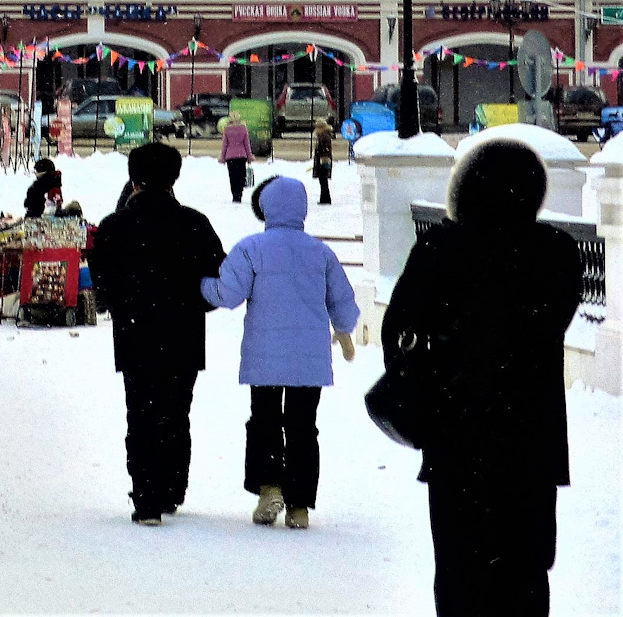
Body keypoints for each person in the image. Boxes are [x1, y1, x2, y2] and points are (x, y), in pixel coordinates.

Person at [382, 139, 582, 616]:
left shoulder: (439, 248)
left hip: (457, 435)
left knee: (458, 562)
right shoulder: (557, 252)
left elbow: (398, 332)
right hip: (531, 437)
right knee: (526, 566)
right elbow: (555, 319)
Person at [199, 176, 359, 530]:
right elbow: (342, 299)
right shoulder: (320, 251)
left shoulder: (251, 248)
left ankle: (268, 487)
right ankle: (300, 505)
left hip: (265, 355)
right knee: (303, 427)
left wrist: (201, 285)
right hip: (309, 358)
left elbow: (229, 294)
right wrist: (345, 334)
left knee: (264, 421)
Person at [92, 142, 228, 526]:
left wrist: (121, 302)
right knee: (175, 413)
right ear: (174, 178)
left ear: (134, 179)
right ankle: (171, 488)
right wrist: (192, 306)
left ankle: (147, 498)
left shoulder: (114, 226)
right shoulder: (195, 223)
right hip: (183, 335)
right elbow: (218, 281)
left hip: (134, 336)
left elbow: (102, 287)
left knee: (140, 413)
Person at [220, 113, 253, 203]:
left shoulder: (227, 130)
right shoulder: (243, 129)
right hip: (241, 156)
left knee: (233, 176)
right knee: (241, 176)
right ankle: (239, 193)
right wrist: (249, 156)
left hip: (230, 157)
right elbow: (247, 144)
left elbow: (225, 145)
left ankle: (235, 194)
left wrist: (222, 157)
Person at [311, 119, 335, 206]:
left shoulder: (324, 136)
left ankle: (325, 199)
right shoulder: (323, 135)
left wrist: (324, 160)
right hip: (322, 161)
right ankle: (324, 198)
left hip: (323, 162)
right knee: (323, 181)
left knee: (323, 181)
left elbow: (326, 150)